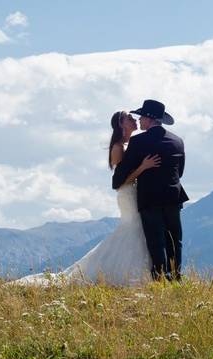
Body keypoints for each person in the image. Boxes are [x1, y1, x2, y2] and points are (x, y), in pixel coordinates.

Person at [14, 111, 160, 285]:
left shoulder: (128, 145)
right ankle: (126, 275)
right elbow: (120, 181)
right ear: (121, 123)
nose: (134, 120)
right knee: (133, 229)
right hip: (127, 194)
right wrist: (143, 167)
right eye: (129, 118)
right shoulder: (118, 148)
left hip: (133, 192)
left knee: (134, 230)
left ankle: (134, 274)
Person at [112, 99, 188, 280]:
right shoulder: (178, 141)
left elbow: (121, 175)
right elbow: (181, 171)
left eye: (141, 117)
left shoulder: (138, 142)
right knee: (174, 240)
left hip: (150, 198)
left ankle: (160, 278)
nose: (139, 121)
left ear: (149, 119)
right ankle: (176, 277)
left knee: (156, 241)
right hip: (173, 196)